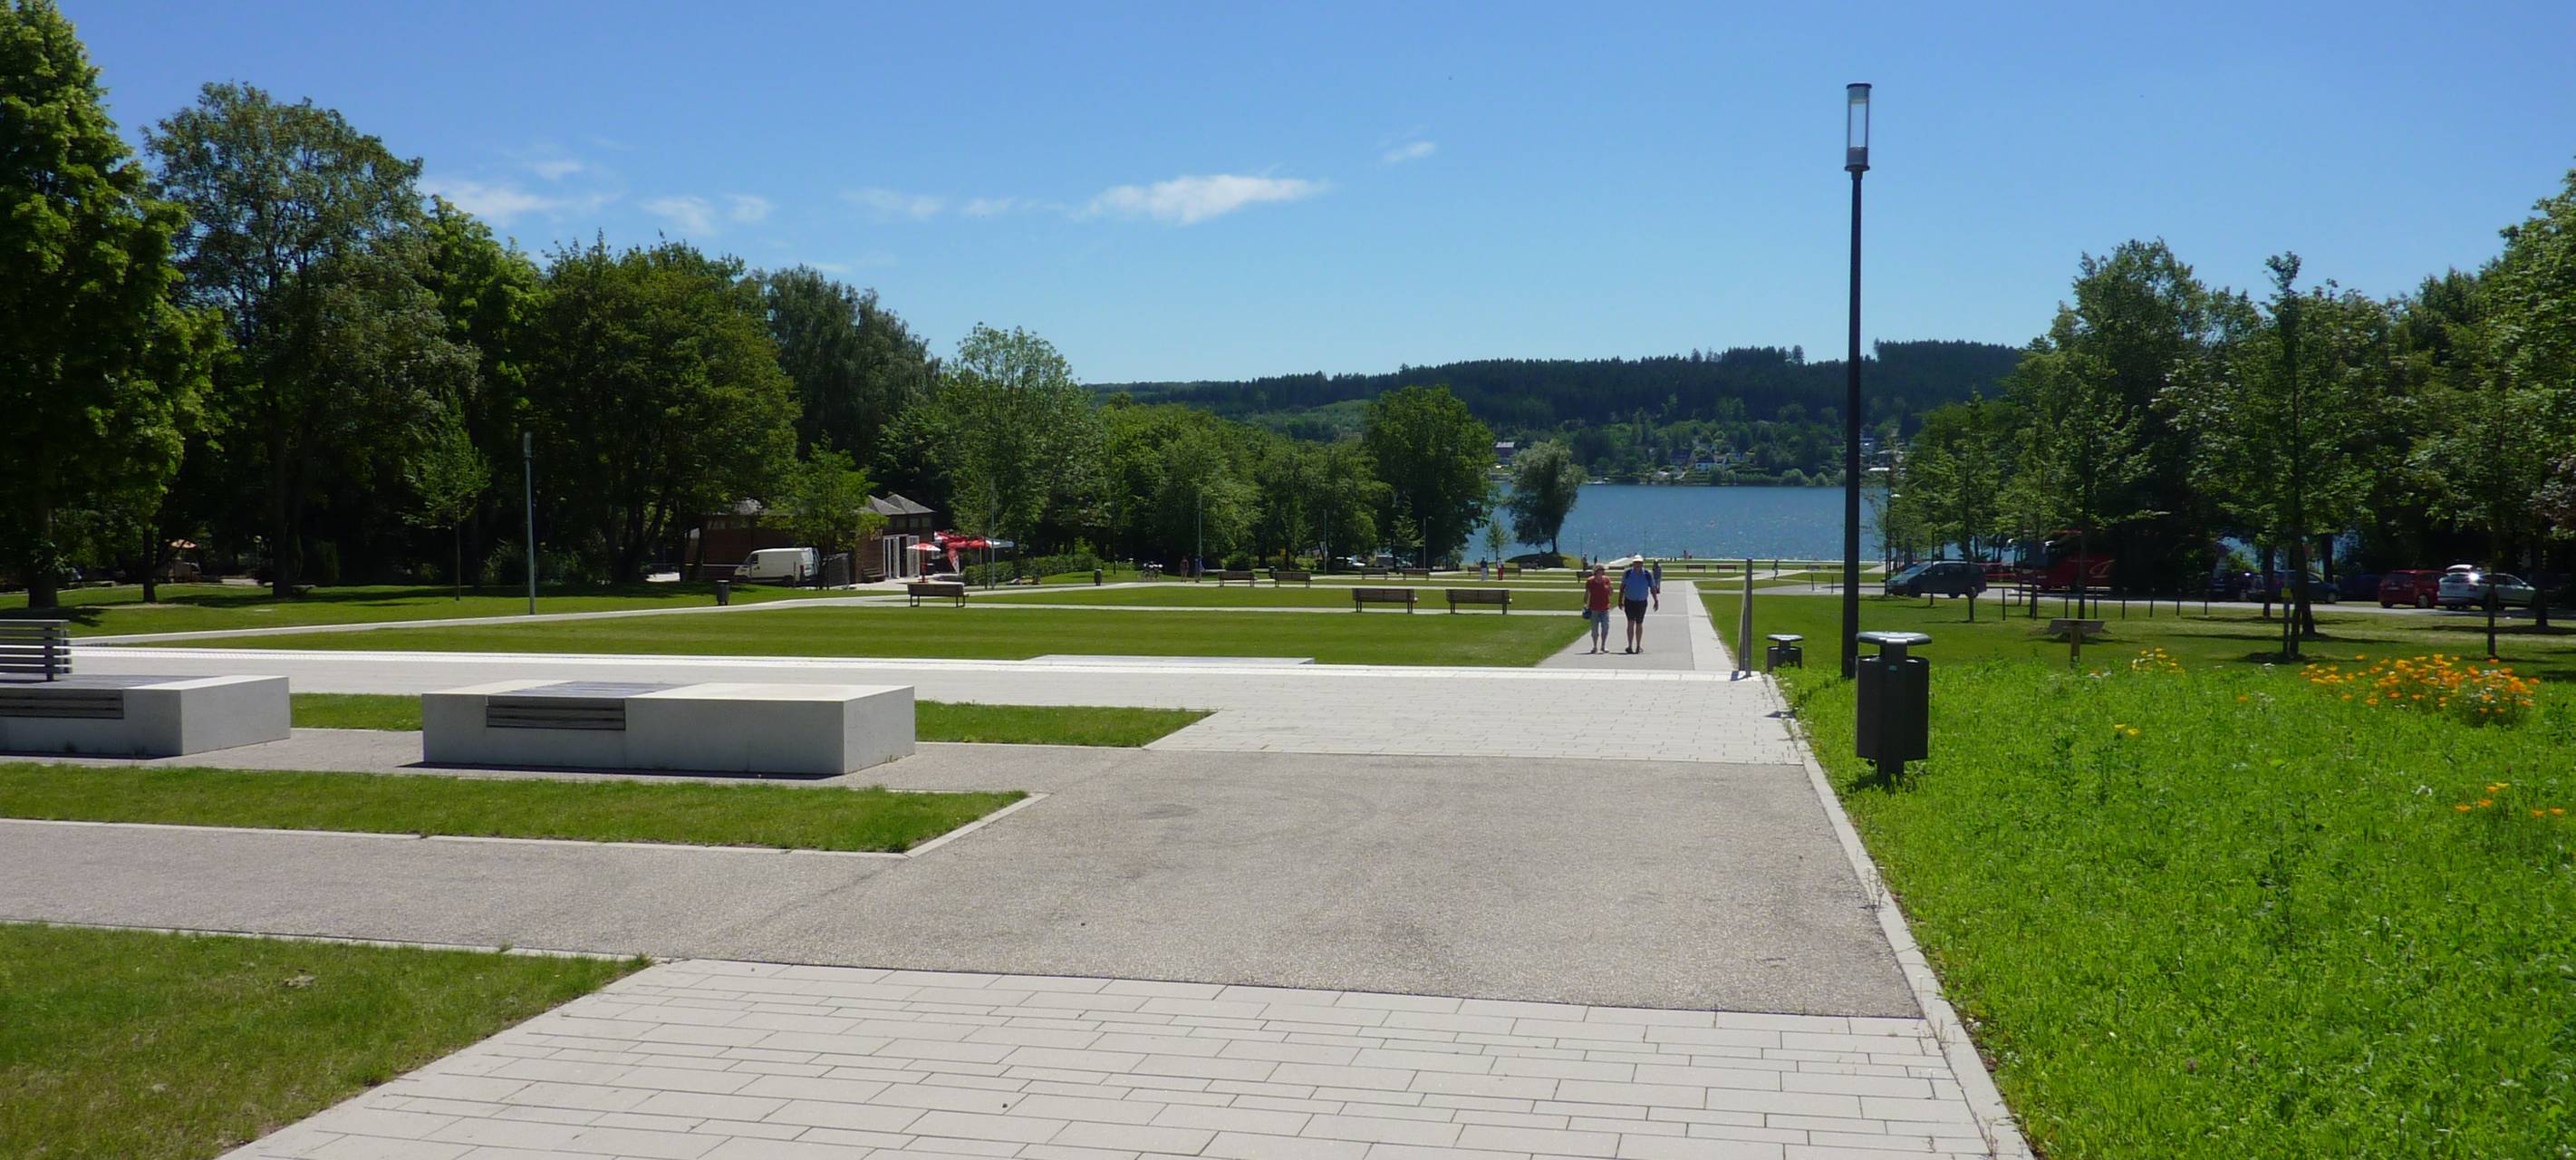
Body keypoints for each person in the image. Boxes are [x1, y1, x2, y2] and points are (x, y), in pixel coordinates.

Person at [1620, 556, 1654, 653]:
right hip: (1629, 601)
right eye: (1636, 563)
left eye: (1639, 563)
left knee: (1639, 624)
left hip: (1641, 602)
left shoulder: (1647, 574)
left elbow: (1652, 587)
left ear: (1642, 564)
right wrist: (1620, 600)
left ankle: (1638, 646)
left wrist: (1656, 600)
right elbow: (1622, 587)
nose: (1637, 565)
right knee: (1630, 623)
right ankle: (1630, 645)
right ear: (1633, 564)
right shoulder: (1627, 573)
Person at [1583, 565, 1614, 653]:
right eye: (1599, 571)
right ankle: (1595, 646)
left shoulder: (1607, 580)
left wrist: (1611, 589)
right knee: (1594, 629)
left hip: (1605, 607)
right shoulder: (1590, 581)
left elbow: (1610, 593)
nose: (1601, 572)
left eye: (1602, 571)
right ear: (1595, 572)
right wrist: (1585, 605)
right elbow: (1587, 594)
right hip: (1594, 608)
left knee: (1605, 627)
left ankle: (1603, 646)